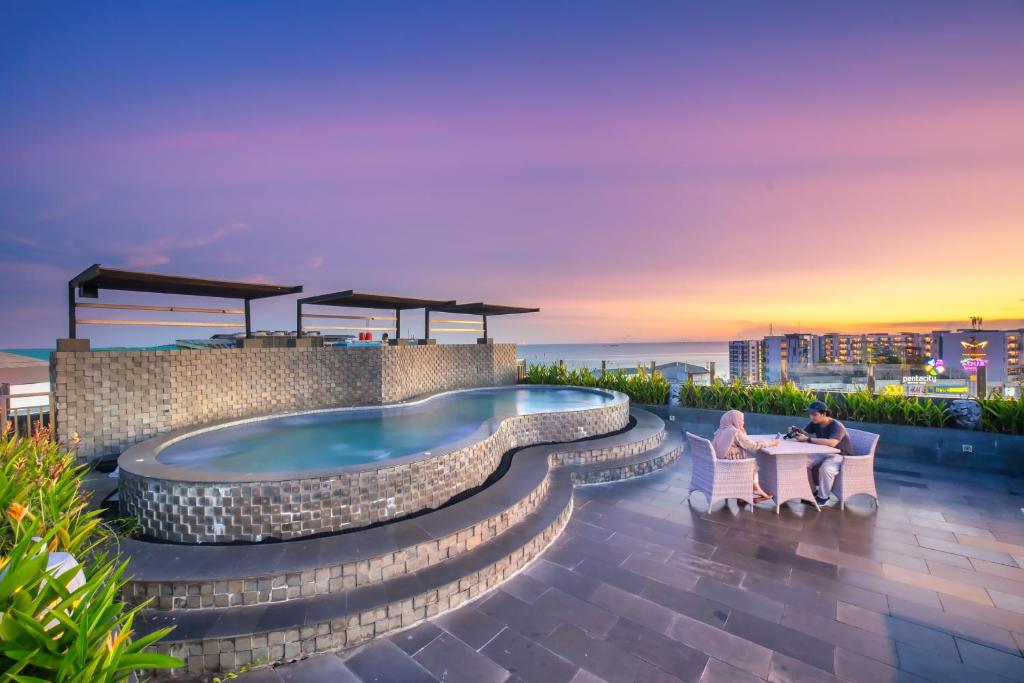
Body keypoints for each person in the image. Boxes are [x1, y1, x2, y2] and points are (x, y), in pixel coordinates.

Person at [791, 400, 852, 505]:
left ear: (823, 414)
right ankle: (812, 492)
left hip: (840, 454)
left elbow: (833, 443)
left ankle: (823, 497)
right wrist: (797, 432)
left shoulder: (836, 426)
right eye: (810, 414)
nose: (811, 417)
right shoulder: (815, 422)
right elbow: (805, 433)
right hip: (823, 451)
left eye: (814, 414)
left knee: (826, 468)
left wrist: (809, 439)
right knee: (801, 463)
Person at [712, 410, 779, 504]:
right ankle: (756, 489)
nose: (743, 422)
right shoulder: (734, 432)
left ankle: (743, 495)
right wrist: (771, 443)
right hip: (731, 466)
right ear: (734, 420)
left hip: (721, 465)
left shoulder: (721, 430)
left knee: (748, 460)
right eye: (741, 420)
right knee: (752, 463)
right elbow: (753, 446)